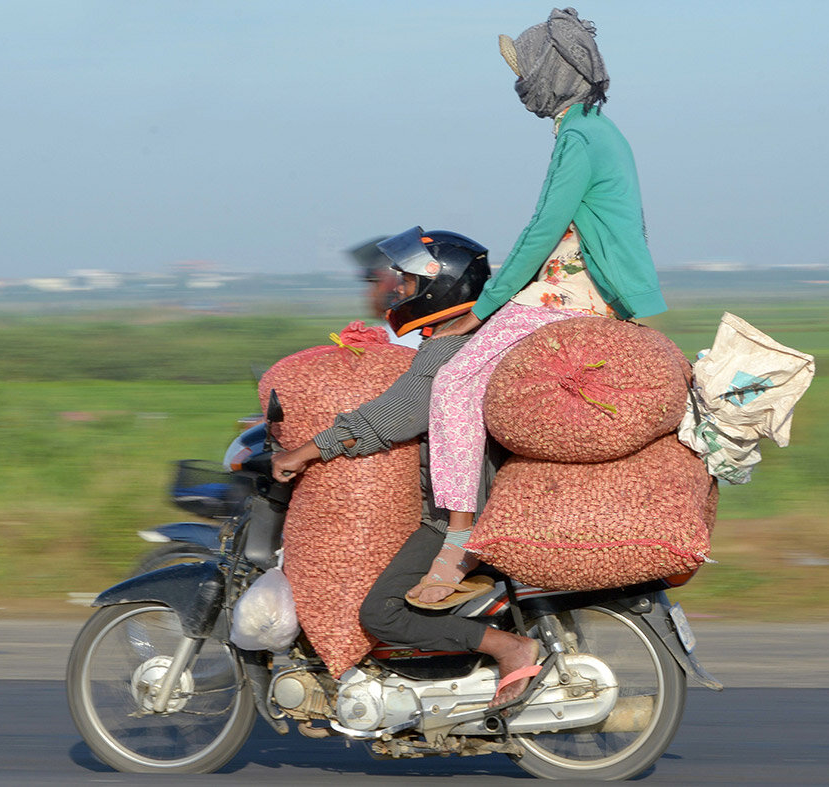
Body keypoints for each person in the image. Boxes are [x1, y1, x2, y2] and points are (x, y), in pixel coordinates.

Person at [411, 8, 668, 643]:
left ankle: (459, 540)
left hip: (569, 294)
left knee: (453, 382)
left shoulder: (579, 140)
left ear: (549, 75)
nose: (519, 85)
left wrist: (481, 309)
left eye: (524, 72)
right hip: (576, 285)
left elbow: (541, 231)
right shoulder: (594, 130)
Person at [272, 226, 540, 707]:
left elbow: (389, 420)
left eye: (411, 283)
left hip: (457, 515)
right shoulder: (475, 340)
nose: (399, 290)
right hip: (478, 502)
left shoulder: (449, 352)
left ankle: (509, 648)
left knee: (380, 614)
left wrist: (303, 451)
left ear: (444, 286)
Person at [347, 237, 423, 349]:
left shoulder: (404, 340)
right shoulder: (386, 332)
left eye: (375, 284)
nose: (368, 294)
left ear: (396, 286)